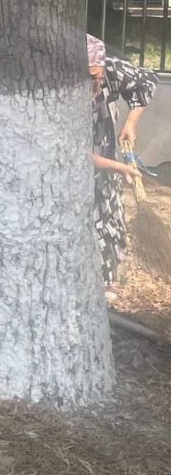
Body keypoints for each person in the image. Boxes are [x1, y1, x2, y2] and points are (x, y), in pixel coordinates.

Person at [87, 34, 158, 289]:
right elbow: (75, 153)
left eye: (95, 77)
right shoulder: (59, 90)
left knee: (108, 218)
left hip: (106, 154)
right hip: (78, 170)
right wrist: (119, 167)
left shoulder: (111, 70)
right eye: (84, 77)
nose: (91, 85)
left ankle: (107, 284)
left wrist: (131, 122)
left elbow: (147, 80)